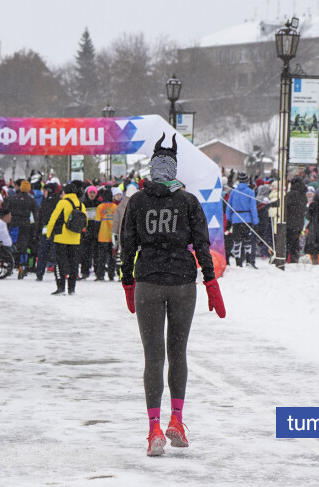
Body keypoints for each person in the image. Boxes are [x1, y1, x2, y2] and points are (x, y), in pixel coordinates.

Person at [120, 133, 226, 457]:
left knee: (153, 358)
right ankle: (176, 421)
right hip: (182, 283)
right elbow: (202, 247)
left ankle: (153, 427)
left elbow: (127, 246)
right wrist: (210, 282)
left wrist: (127, 282)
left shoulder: (138, 201)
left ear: (152, 169)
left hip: (149, 282)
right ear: (175, 169)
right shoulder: (188, 201)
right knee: (177, 354)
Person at [46, 183, 87, 295]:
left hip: (61, 237)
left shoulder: (63, 203)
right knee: (74, 264)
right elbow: (85, 222)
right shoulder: (80, 204)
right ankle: (72, 288)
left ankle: (61, 287)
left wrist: (48, 233)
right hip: (75, 239)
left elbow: (53, 219)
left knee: (60, 263)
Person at [224, 172, 259, 268]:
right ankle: (248, 260)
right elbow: (253, 208)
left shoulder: (234, 192)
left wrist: (229, 220)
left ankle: (238, 262)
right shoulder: (250, 192)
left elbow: (229, 207)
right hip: (247, 219)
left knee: (237, 241)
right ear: (247, 181)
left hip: (236, 219)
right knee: (248, 241)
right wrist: (255, 221)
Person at [7, 180, 39, 279]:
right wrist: (36, 227)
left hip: (14, 224)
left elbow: (7, 210)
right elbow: (35, 214)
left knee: (12, 244)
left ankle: (10, 264)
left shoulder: (13, 198)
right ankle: (22, 266)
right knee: (24, 246)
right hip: (26, 224)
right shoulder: (31, 199)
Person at [36, 182, 61, 281]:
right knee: (48, 253)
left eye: (45, 191)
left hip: (50, 231)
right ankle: (43, 273)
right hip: (50, 231)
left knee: (47, 253)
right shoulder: (48, 201)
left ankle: (43, 273)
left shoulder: (52, 202)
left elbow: (41, 217)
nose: (43, 193)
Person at [94, 187, 117, 281]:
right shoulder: (115, 207)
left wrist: (95, 234)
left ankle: (100, 275)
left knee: (102, 257)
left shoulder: (100, 207)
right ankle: (111, 274)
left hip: (102, 235)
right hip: (113, 236)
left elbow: (97, 222)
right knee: (112, 257)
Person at [80, 185, 101, 279]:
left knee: (96, 253)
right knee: (85, 253)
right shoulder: (84, 203)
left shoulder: (99, 204)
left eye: (93, 193)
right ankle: (85, 271)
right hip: (86, 231)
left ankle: (97, 271)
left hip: (97, 231)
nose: (92, 195)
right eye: (90, 193)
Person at [285, 177, 308, 263]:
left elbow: (284, 204)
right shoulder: (303, 194)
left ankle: (285, 259)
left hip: (290, 222)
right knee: (295, 242)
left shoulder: (291, 194)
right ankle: (294, 259)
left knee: (287, 242)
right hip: (299, 222)